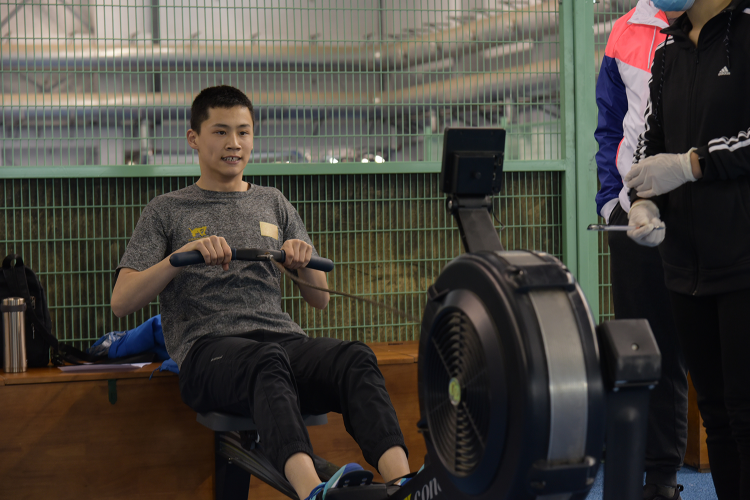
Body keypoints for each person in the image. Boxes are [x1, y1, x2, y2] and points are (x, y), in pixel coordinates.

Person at [110, 85, 412, 500]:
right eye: (220, 132)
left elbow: (319, 299)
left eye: (243, 132)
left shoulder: (274, 202)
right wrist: (178, 258)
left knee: (355, 357)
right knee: (266, 360)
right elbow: (121, 302)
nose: (233, 143)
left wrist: (302, 261)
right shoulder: (167, 209)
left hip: (282, 344)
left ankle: (402, 484)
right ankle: (311, 491)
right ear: (193, 138)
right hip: (208, 352)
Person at [623, 0, 750, 497]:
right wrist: (643, 203)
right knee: (715, 415)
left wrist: (692, 164)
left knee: (745, 414)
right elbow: (648, 144)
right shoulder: (668, 53)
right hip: (685, 268)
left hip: (742, 262)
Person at [594, 2, 688, 499]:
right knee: (643, 346)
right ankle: (657, 475)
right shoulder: (623, 31)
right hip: (634, 215)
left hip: (698, 211)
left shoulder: (716, 21)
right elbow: (611, 124)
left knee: (702, 343)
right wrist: (613, 202)